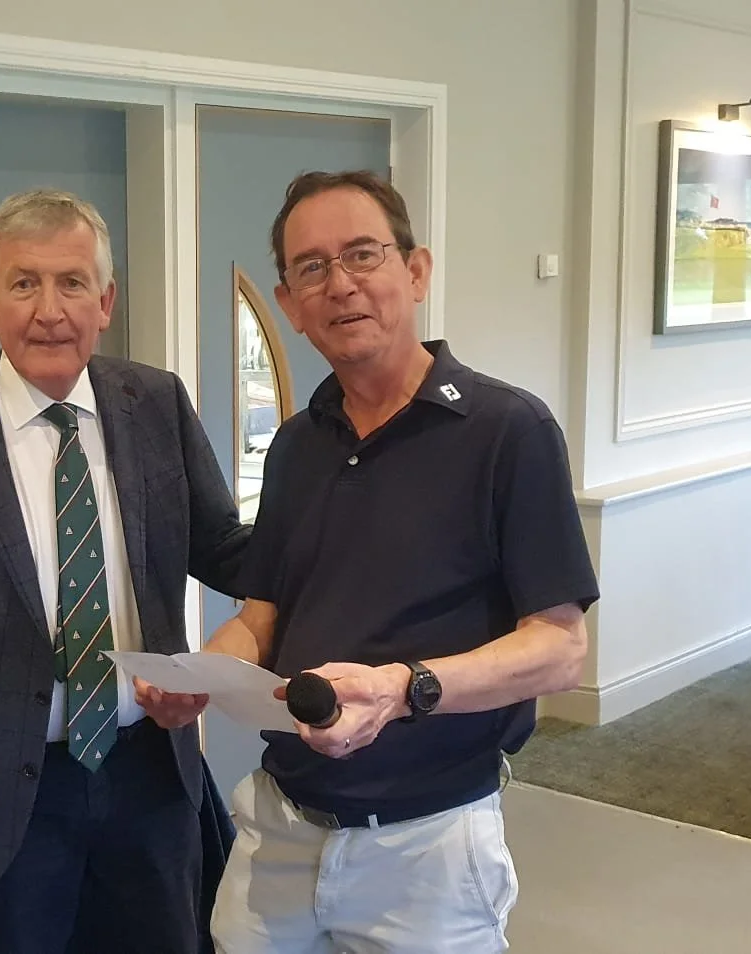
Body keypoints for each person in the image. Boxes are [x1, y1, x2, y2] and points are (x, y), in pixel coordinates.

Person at [196, 170, 598, 953]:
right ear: (289, 304)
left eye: (362, 254)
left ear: (415, 271)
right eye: (312, 268)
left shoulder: (508, 432)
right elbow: (262, 617)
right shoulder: (296, 445)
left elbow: (559, 649)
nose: (340, 284)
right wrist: (206, 674)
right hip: (280, 827)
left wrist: (402, 690)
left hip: (428, 849)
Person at [0, 188, 250, 954]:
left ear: (105, 302)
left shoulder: (157, 404)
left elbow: (225, 549)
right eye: (23, 284)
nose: (49, 310)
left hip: (148, 774)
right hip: (2, 795)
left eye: (72, 283)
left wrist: (328, 523)